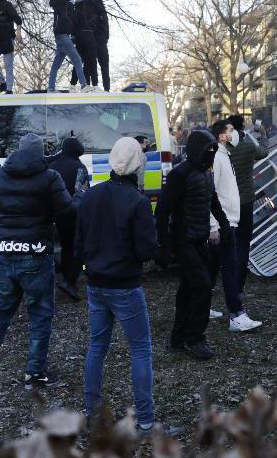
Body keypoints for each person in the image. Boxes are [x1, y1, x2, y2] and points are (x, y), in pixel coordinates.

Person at [0, 133, 74, 389]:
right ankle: (34, 372)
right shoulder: (50, 177)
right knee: (40, 315)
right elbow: (67, 211)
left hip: (4, 251)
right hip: (37, 252)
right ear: (40, 152)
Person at [75, 137, 159, 433]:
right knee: (140, 350)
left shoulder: (91, 195)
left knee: (97, 347)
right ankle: (146, 420)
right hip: (125, 284)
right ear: (138, 164)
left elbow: (79, 241)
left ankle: (92, 413)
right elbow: (148, 249)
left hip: (95, 283)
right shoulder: (137, 201)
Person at [155, 129, 231, 359]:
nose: (211, 155)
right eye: (208, 151)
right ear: (197, 151)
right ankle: (194, 338)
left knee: (188, 289)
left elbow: (212, 200)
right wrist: (164, 246)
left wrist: (225, 225)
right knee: (202, 286)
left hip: (200, 239)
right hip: (184, 240)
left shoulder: (205, 173)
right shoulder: (180, 174)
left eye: (213, 151)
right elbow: (162, 212)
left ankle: (179, 338)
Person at [206, 120, 262, 333]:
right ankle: (237, 315)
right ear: (222, 135)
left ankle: (204, 306)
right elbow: (211, 194)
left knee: (212, 267)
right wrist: (214, 225)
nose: (235, 133)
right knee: (230, 269)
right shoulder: (218, 158)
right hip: (224, 223)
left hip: (226, 221)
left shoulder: (223, 155)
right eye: (230, 130)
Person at [225, 115, 267, 297]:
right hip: (245, 201)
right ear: (241, 128)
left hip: (226, 202)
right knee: (243, 244)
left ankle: (225, 282)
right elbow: (264, 152)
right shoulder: (248, 147)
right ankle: (238, 288)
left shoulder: (223, 149)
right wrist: (263, 134)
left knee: (228, 244)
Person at [48, 137, 88, 301]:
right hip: (74, 211)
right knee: (80, 247)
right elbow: (82, 191)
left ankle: (65, 276)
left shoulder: (53, 165)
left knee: (66, 247)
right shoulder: (79, 167)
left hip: (56, 213)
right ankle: (69, 281)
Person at [47, 0, 87, 91]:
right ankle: (84, 85)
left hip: (61, 39)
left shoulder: (65, 7)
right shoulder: (60, 3)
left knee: (55, 66)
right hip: (63, 38)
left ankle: (51, 88)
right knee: (77, 60)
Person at [70, 0, 111, 91]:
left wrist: (73, 36)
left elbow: (73, 22)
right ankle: (95, 86)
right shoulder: (88, 2)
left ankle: (75, 85)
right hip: (89, 36)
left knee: (80, 61)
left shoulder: (75, 4)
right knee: (91, 62)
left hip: (80, 37)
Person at [83, 0, 115, 92]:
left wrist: (105, 37)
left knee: (91, 65)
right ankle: (101, 88)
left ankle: (93, 87)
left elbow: (105, 26)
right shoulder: (92, 4)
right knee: (98, 65)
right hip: (97, 39)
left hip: (97, 39)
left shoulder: (95, 8)